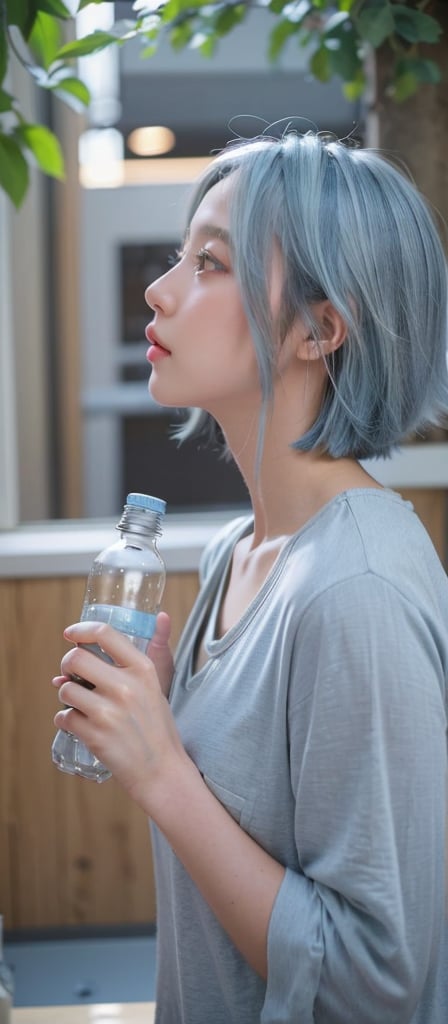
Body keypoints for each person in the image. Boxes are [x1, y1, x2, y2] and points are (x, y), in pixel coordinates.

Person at [52, 127, 448, 1024]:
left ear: (320, 328)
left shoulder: (358, 591)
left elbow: (374, 983)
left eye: (210, 263)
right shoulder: (237, 550)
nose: (158, 290)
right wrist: (168, 720)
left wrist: (161, 770)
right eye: (178, 257)